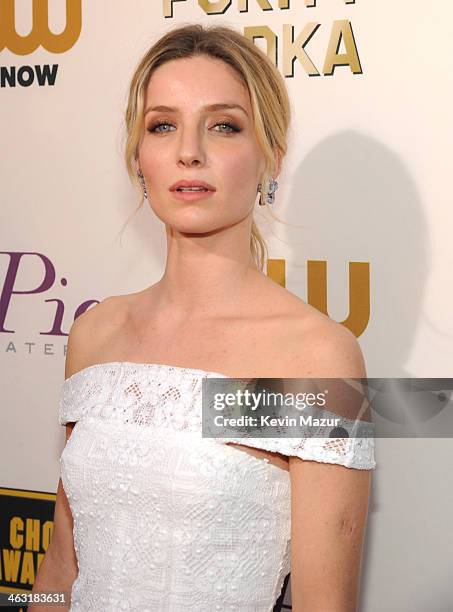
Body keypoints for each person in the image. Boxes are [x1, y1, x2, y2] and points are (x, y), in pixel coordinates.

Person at [31, 23, 376, 612]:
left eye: (224, 125)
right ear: (139, 159)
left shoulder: (315, 358)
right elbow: (58, 572)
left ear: (271, 157)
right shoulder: (96, 335)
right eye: (162, 125)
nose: (189, 150)